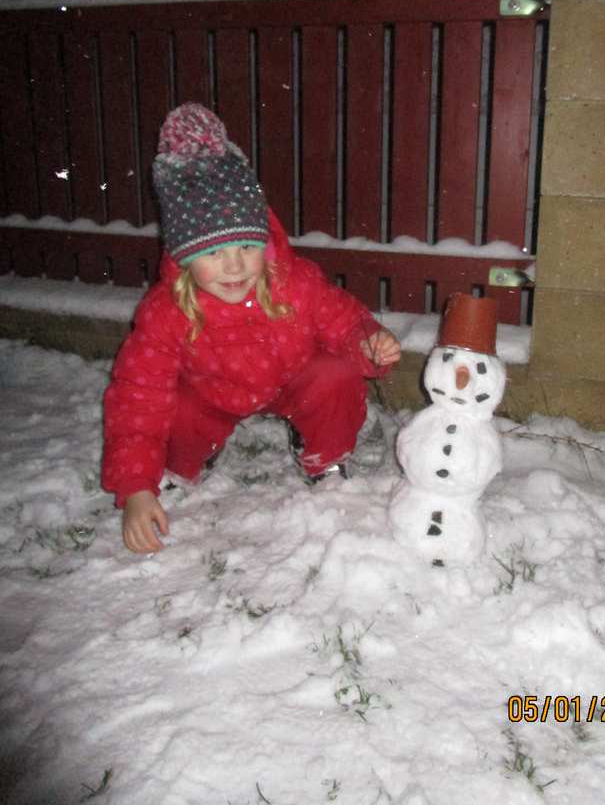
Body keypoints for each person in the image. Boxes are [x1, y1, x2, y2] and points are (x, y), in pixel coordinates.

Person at [101, 102, 401, 554]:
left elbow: (344, 322)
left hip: (287, 382)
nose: (235, 264)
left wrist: (368, 343)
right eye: (214, 252)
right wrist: (135, 487)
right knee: (174, 409)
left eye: (246, 244)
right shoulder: (165, 312)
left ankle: (324, 458)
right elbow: (137, 398)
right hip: (210, 396)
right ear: (183, 256)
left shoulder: (293, 283)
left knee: (335, 376)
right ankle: (182, 466)